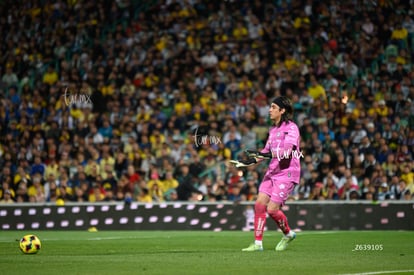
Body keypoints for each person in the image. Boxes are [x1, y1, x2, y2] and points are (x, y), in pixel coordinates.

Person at [230, 96, 301, 251]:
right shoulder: (273, 130)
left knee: (272, 209)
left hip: (287, 172)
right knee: (259, 204)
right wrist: (248, 163)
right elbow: (265, 152)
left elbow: (287, 151)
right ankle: (257, 244)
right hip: (272, 171)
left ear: (282, 111)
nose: (270, 110)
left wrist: (266, 156)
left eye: (273, 107)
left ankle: (288, 234)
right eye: (270, 107)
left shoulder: (292, 128)